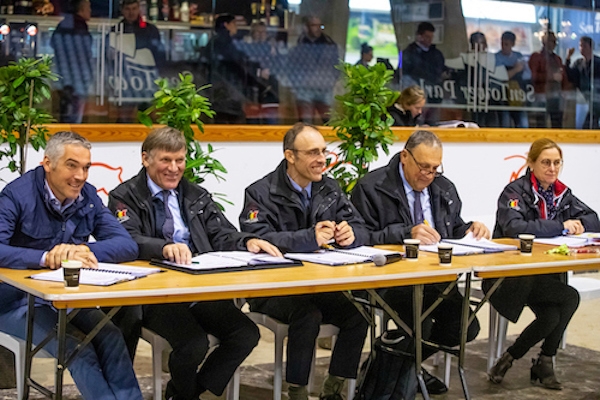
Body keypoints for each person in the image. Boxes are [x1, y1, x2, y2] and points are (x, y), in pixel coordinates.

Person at [108, 127, 280, 400]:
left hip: (199, 286)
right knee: (193, 344)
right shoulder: (124, 196)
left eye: (180, 160)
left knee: (245, 334)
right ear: (146, 159)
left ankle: (183, 393)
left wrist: (247, 241)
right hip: (157, 295)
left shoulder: (196, 195)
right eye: (166, 160)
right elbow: (126, 239)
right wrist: (163, 247)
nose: (174, 168)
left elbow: (220, 233)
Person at [0, 131, 142, 400]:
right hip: (15, 301)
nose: (80, 176)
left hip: (65, 296)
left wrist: (83, 249)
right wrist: (46, 257)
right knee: (77, 348)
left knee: (111, 336)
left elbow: (126, 244)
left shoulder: (87, 196)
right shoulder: (16, 196)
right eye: (71, 165)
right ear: (47, 163)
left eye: (86, 167)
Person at [238, 122, 369, 400]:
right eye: (312, 153)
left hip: (318, 284)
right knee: (307, 315)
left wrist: (351, 233)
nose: (321, 159)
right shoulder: (260, 192)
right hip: (273, 288)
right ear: (290, 156)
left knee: (359, 311)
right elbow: (257, 238)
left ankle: (334, 385)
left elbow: (361, 225)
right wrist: (309, 238)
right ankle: (296, 391)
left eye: (323, 151)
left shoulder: (330, 188)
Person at [351, 130, 486, 395]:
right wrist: (404, 233)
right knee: (418, 325)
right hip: (393, 280)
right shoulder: (371, 187)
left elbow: (452, 228)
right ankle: (399, 386)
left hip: (437, 280)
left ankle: (391, 363)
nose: (428, 174)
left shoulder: (444, 187)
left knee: (466, 328)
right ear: (404, 157)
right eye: (423, 167)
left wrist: (471, 229)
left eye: (435, 168)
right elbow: (359, 236)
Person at [486, 138, 600, 389]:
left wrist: (578, 224)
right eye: (546, 162)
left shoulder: (562, 194)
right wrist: (560, 226)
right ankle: (540, 361)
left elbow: (593, 218)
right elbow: (515, 228)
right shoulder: (514, 192)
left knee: (558, 309)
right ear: (531, 163)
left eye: (557, 163)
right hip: (509, 276)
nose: (552, 168)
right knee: (563, 304)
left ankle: (519, 358)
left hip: (544, 274)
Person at [108, 0, 166, 122]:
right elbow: (108, 58)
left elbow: (159, 56)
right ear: (122, 10)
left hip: (147, 80)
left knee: (147, 117)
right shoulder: (116, 30)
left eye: (134, 9)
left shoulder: (150, 30)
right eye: (128, 9)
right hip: (125, 80)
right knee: (124, 118)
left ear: (139, 8)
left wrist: (159, 78)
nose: (131, 12)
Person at [288, 16, 339, 124]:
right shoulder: (298, 45)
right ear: (306, 27)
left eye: (320, 25)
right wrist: (297, 84)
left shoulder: (330, 44)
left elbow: (336, 66)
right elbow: (291, 67)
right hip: (305, 89)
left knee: (328, 122)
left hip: (325, 89)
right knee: (306, 123)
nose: (317, 28)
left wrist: (330, 81)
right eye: (314, 25)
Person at [51, 0, 94, 123]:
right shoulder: (79, 27)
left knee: (66, 112)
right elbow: (83, 56)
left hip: (64, 80)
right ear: (82, 9)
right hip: (76, 81)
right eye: (88, 8)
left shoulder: (65, 25)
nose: (90, 11)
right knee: (74, 116)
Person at [401, 22, 448, 125]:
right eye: (427, 36)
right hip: (418, 94)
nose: (429, 40)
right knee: (419, 121)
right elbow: (403, 73)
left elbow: (441, 70)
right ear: (419, 36)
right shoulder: (408, 53)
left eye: (431, 37)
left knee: (433, 123)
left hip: (435, 95)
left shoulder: (436, 54)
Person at [529, 31, 568, 128]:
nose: (554, 44)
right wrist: (551, 77)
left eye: (555, 41)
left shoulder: (557, 59)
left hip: (556, 96)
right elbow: (533, 76)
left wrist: (564, 90)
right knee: (541, 124)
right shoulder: (536, 57)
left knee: (557, 124)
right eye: (551, 41)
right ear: (544, 42)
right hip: (542, 95)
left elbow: (563, 76)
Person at [495, 31, 531, 128]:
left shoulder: (519, 56)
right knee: (505, 122)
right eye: (502, 43)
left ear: (513, 44)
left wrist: (520, 69)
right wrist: (516, 69)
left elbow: (528, 75)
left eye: (507, 44)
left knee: (523, 123)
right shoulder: (496, 58)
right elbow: (499, 77)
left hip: (518, 95)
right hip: (502, 95)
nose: (504, 47)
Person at [566, 36, 600, 129]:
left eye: (584, 46)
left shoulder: (597, 62)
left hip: (596, 98)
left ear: (590, 47)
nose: (581, 48)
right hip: (586, 98)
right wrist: (568, 58)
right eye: (580, 46)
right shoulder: (578, 63)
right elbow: (570, 75)